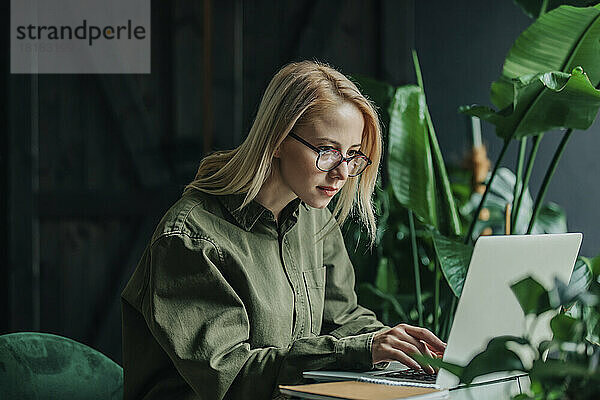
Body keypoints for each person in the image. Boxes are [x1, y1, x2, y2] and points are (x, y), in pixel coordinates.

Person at [121, 60, 446, 400]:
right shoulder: (190, 240)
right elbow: (234, 378)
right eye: (327, 151)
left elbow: (344, 319)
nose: (341, 172)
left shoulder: (314, 217)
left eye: (352, 155)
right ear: (276, 140)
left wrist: (400, 350)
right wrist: (362, 350)